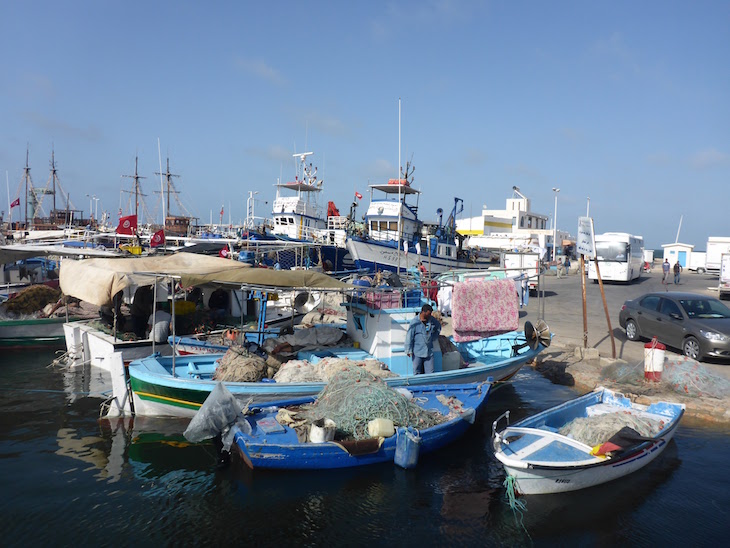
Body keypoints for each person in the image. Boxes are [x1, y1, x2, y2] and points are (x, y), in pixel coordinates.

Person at [405, 304, 441, 375]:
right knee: (416, 371)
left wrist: (434, 337)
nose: (430, 315)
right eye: (428, 314)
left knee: (430, 372)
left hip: (429, 352)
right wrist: (408, 350)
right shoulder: (414, 322)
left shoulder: (432, 320)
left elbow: (438, 327)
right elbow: (409, 336)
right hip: (417, 352)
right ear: (423, 312)